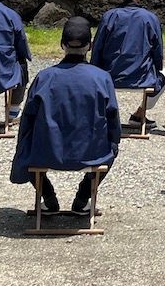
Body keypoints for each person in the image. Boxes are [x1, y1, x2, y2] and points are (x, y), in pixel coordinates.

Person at [10, 17, 121, 214]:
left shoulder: (44, 77)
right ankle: (83, 197)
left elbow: (27, 119)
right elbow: (113, 122)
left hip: (47, 152)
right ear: (90, 46)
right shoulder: (102, 78)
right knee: (113, 148)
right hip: (92, 154)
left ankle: (49, 197)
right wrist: (112, 141)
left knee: (26, 145)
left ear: (62, 45)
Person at [91, 0, 165, 125]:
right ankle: (140, 113)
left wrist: (95, 70)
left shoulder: (109, 17)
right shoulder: (150, 18)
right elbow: (158, 52)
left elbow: (97, 48)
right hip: (142, 78)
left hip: (109, 76)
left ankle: (103, 115)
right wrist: (157, 67)